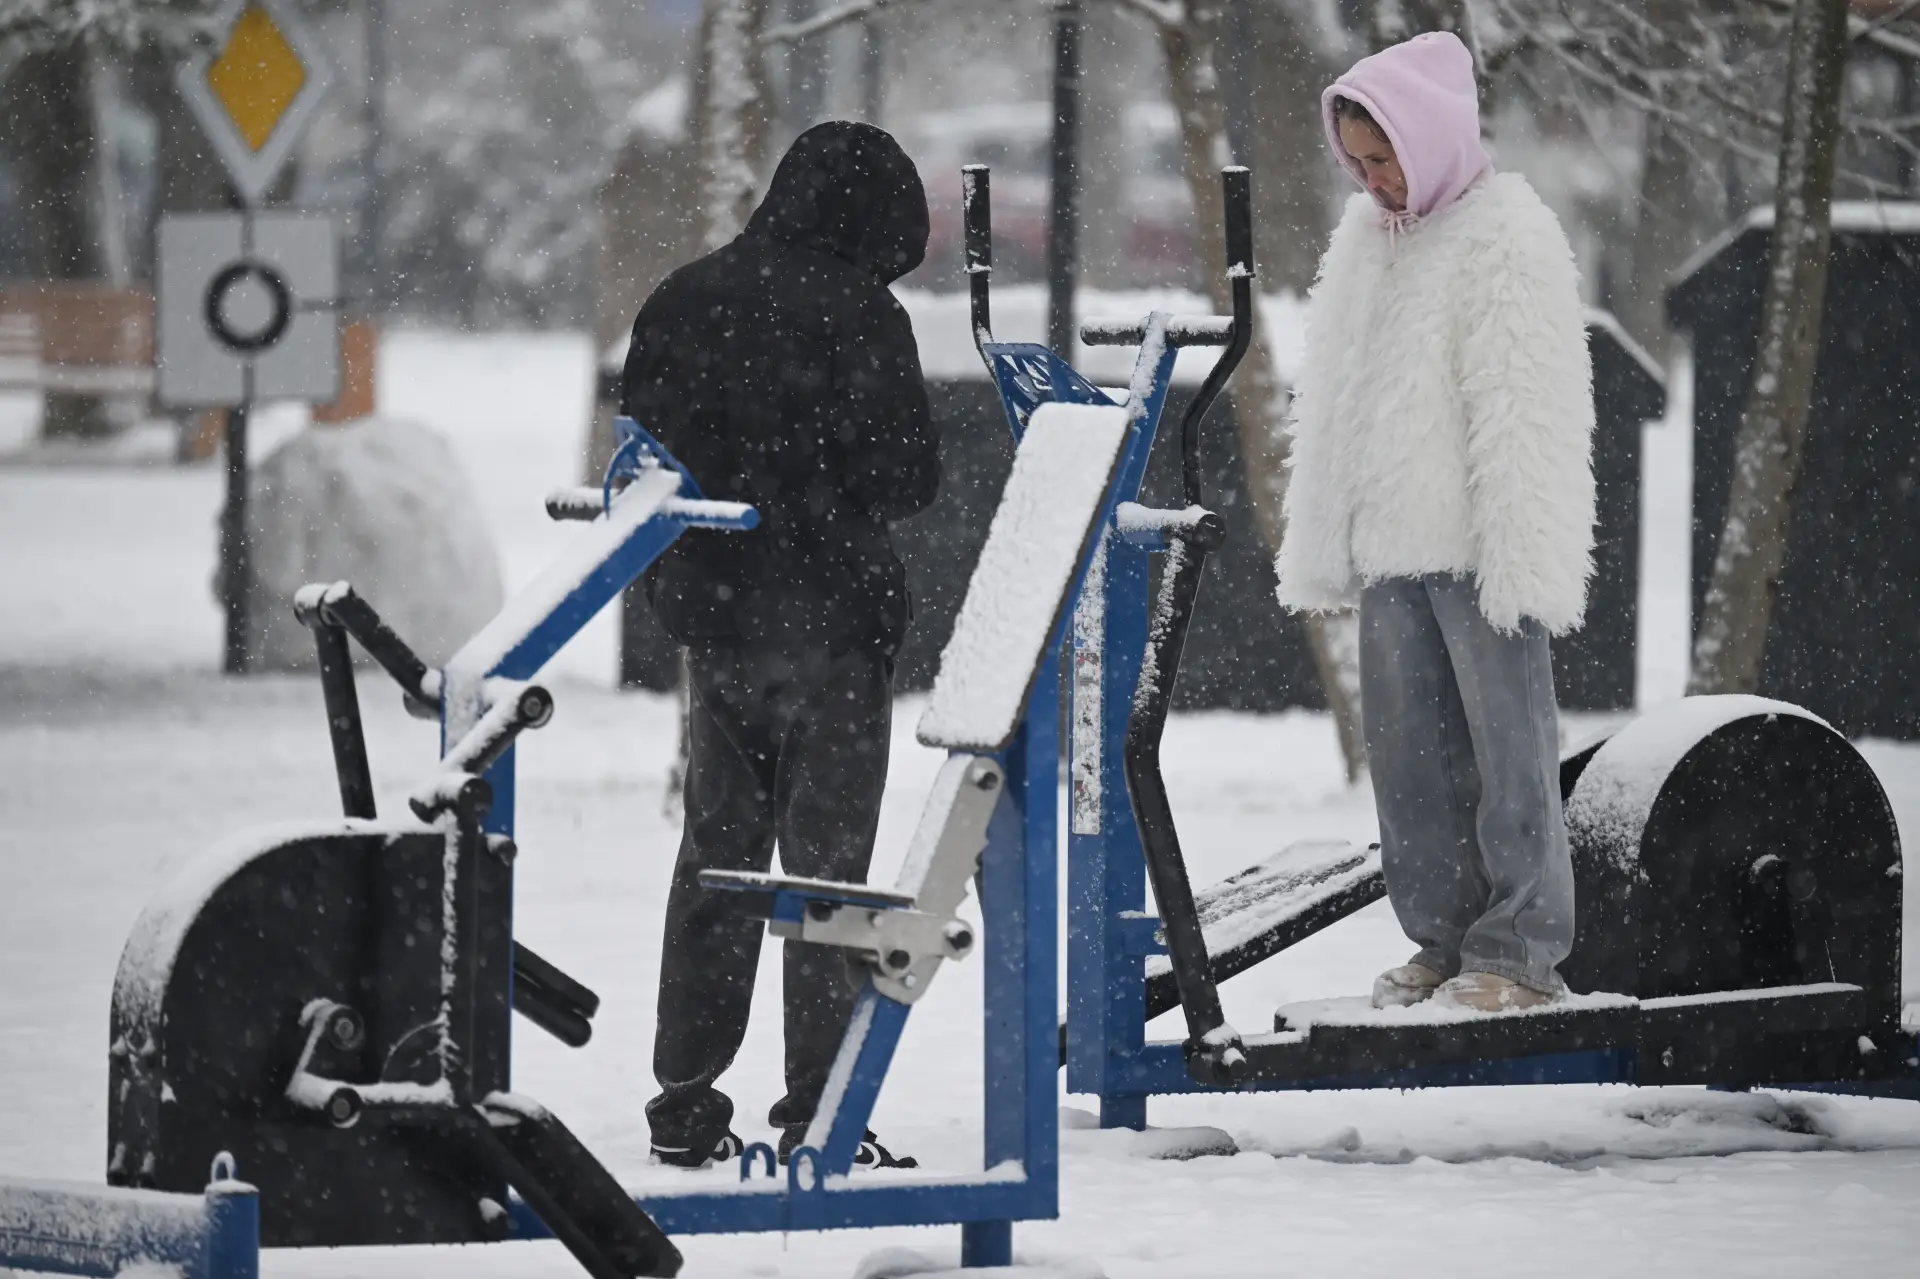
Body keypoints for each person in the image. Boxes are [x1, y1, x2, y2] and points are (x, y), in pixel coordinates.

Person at [620, 121, 940, 1168]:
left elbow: (647, 454)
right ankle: (821, 1108)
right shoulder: (862, 313)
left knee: (715, 856)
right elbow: (905, 478)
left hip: (715, 623)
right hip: (832, 626)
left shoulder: (682, 296)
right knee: (827, 870)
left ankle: (683, 1098)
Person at [1273, 33, 1596, 1013]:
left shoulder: (1505, 235)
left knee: (1509, 753)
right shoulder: (1368, 242)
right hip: (1389, 541)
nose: (1373, 181)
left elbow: (1527, 405)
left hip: (1476, 542)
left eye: (1386, 158)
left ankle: (1521, 951)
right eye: (1357, 162)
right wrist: (1328, 528)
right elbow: (1334, 393)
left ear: (1433, 136)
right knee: (1411, 762)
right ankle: (1445, 939)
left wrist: (1523, 554)